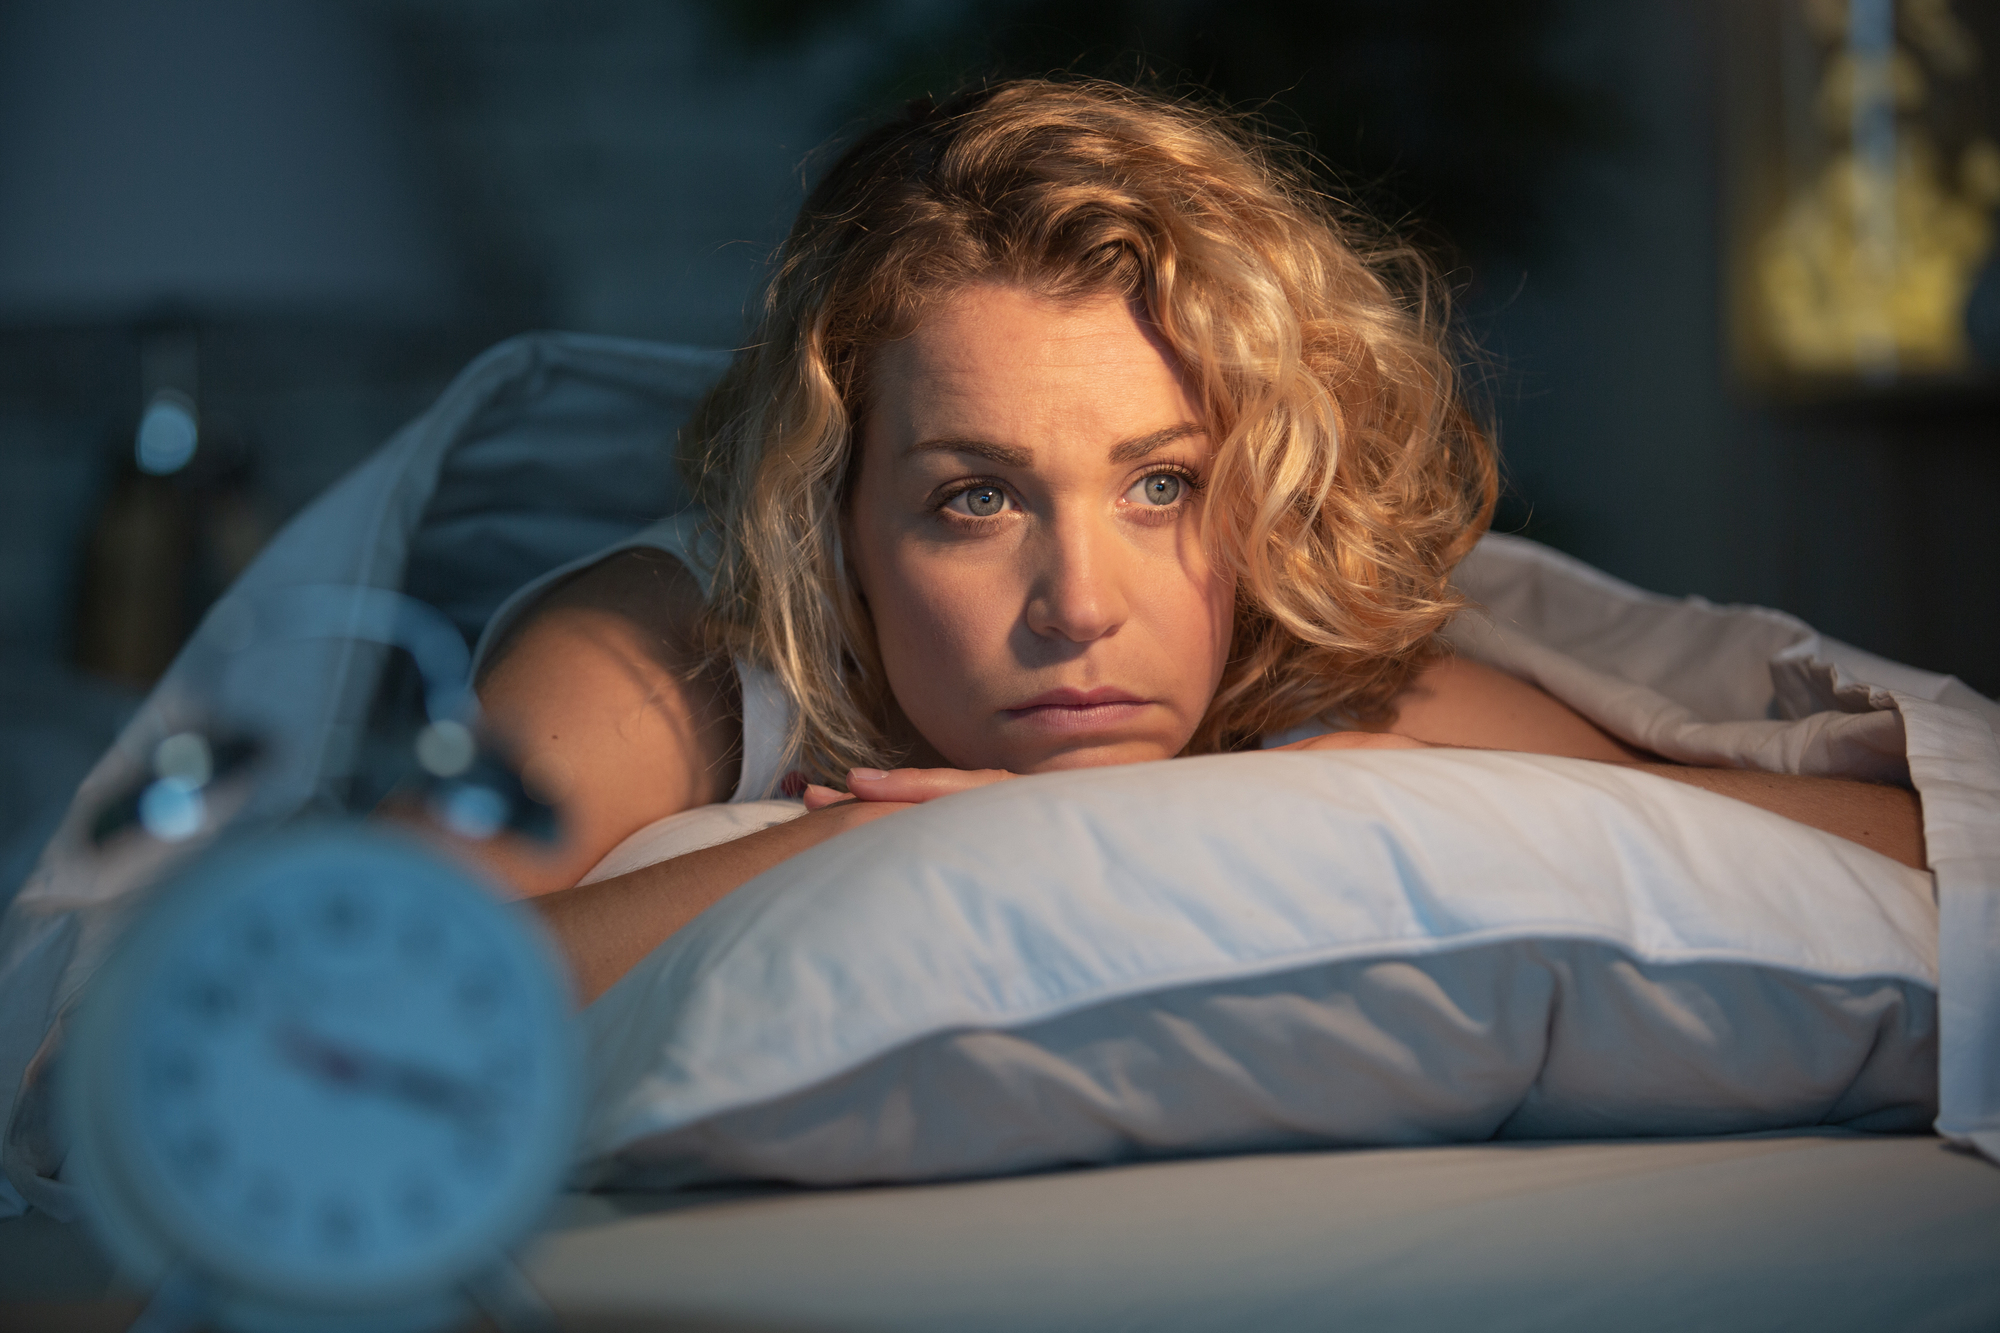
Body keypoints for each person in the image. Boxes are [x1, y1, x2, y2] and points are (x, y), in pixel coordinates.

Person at [463, 79, 1925, 1003]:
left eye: (1162, 486)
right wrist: (847, 847)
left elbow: (1930, 853)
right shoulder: (665, 654)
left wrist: (1424, 796)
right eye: (977, 498)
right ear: (833, 517)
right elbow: (342, 993)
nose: (1083, 606)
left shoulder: (1304, 678)